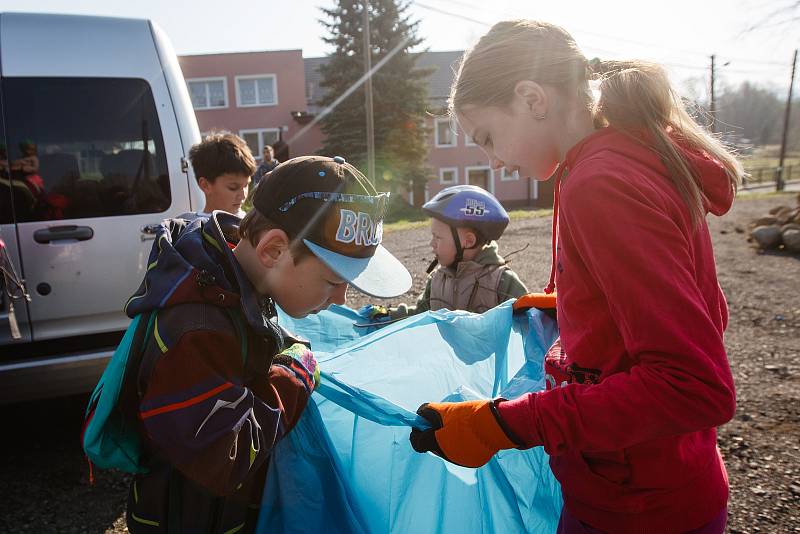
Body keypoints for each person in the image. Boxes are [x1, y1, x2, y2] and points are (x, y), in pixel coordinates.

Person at [409, 20, 743, 534]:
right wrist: (566, 303)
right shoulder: (619, 160)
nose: (494, 160)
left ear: (531, 98)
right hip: (657, 481)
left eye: (489, 138)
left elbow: (692, 386)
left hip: (637, 509)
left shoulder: (600, 183)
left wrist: (500, 423)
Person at [124, 154, 411, 533]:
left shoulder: (234, 278)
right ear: (273, 250)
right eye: (332, 281)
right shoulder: (197, 331)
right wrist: (296, 372)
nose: (342, 299)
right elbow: (224, 457)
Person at [361, 185, 527, 324]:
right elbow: (421, 313)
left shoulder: (502, 282)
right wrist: (389, 314)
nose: (431, 244)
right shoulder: (437, 280)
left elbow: (531, 325)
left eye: (438, 237)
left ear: (468, 241)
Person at [189, 132, 253, 217]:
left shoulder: (252, 225)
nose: (243, 195)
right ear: (205, 185)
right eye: (233, 188)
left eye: (246, 185)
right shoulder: (189, 227)